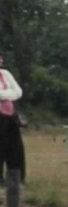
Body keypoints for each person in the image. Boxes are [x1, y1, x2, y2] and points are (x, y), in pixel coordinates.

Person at [0, 52, 25, 183]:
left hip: (10, 116)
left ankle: (16, 178)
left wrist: (7, 94)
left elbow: (19, 92)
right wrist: (10, 94)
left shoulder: (6, 74)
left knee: (15, 148)